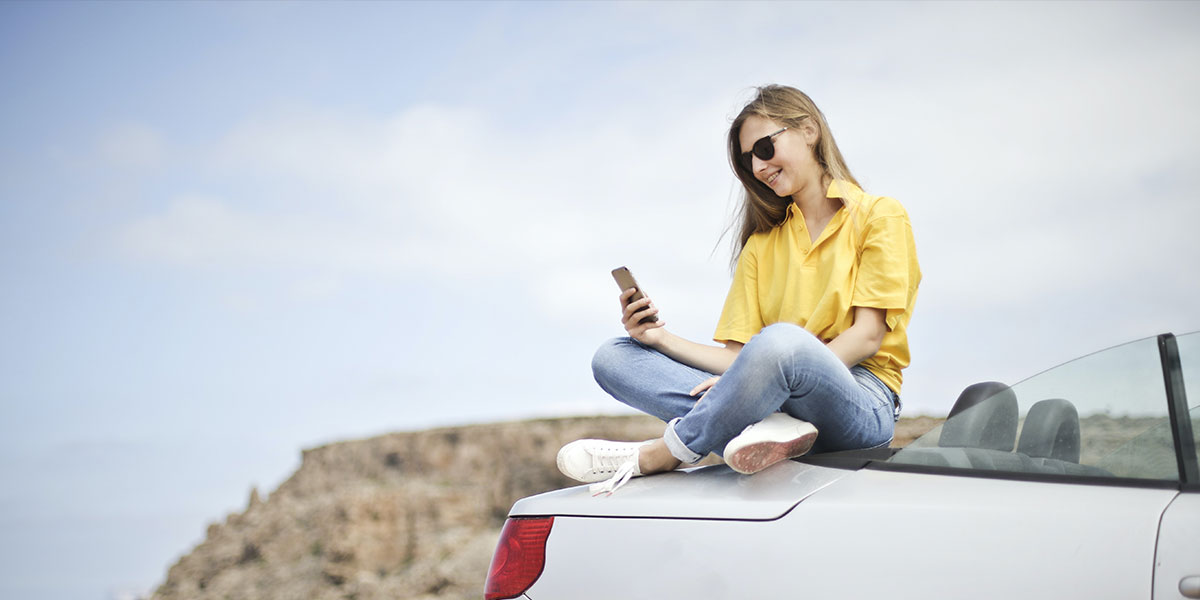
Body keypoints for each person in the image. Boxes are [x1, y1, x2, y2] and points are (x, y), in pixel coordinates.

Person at [557, 85, 920, 495]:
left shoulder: (880, 215)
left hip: (859, 399)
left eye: (764, 148)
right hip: (771, 396)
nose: (758, 166)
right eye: (748, 160)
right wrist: (659, 338)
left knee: (783, 343)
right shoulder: (761, 246)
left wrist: (763, 379)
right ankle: (763, 426)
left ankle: (665, 452)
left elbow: (868, 335)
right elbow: (737, 358)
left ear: (809, 130)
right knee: (613, 357)